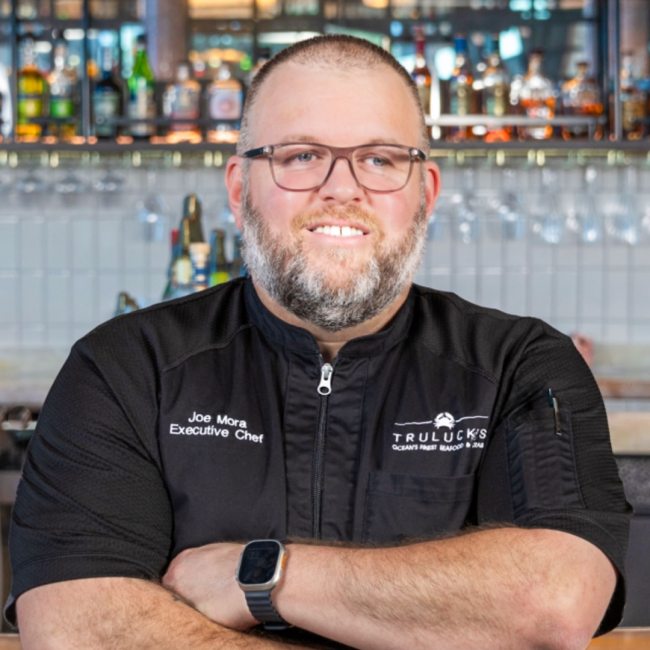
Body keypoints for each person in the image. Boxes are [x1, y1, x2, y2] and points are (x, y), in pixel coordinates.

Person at [11, 35, 630, 650]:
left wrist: (263, 574)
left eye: (382, 159)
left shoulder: (521, 367)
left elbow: (555, 599)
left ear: (427, 194)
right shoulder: (125, 367)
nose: (342, 188)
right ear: (239, 188)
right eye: (301, 155)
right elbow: (76, 624)